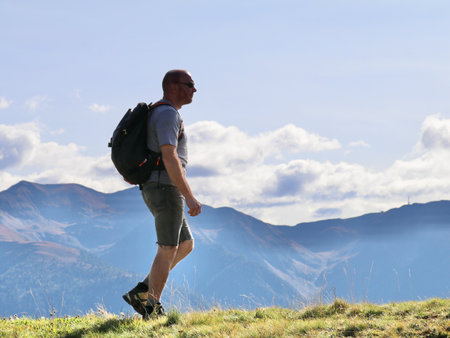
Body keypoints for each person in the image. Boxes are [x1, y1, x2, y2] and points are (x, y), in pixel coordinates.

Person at [122, 69, 202, 319]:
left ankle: (143, 291)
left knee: (186, 244)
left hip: (158, 186)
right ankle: (151, 308)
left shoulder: (161, 112)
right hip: (166, 188)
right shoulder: (167, 113)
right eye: (190, 84)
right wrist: (188, 195)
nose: (194, 89)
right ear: (174, 86)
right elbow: (169, 156)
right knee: (167, 248)